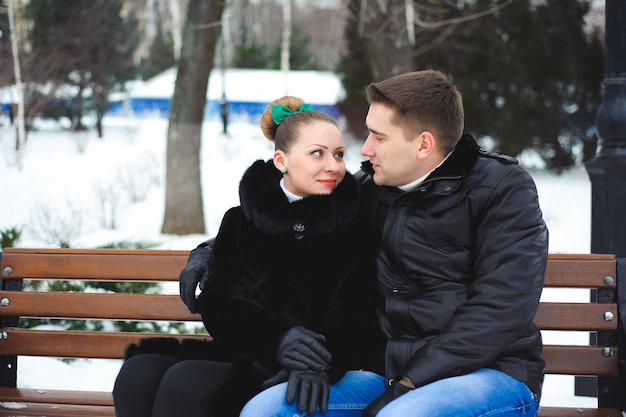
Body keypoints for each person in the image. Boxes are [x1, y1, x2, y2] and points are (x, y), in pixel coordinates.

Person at [181, 69, 549, 417]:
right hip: (382, 372)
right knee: (267, 410)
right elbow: (288, 222)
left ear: (423, 144)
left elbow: (499, 307)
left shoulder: (502, 190)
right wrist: (210, 253)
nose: (366, 148)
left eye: (379, 136)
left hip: (487, 374)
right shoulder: (369, 188)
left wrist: (410, 383)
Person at [113, 95, 384, 417]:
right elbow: (218, 299)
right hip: (256, 347)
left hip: (316, 358)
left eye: (339, 154)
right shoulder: (241, 220)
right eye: (317, 154)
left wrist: (322, 361)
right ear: (281, 161)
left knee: (184, 385)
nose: (334, 166)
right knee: (138, 374)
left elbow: (356, 312)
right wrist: (277, 337)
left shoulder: (353, 224)